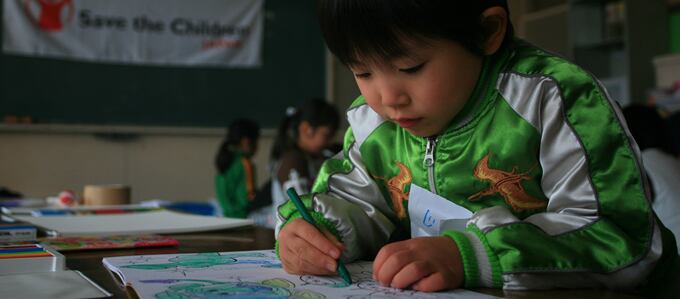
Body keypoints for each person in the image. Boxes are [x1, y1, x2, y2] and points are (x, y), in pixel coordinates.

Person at [275, 0, 679, 296]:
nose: (387, 97)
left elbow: (622, 237)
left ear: (487, 32)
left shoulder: (552, 97)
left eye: (410, 67)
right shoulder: (375, 120)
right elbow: (354, 198)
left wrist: (474, 255)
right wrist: (314, 232)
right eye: (362, 72)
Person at [270, 98, 340, 225]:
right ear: (306, 129)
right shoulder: (293, 160)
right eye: (326, 135)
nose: (330, 142)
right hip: (291, 230)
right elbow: (303, 206)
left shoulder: (311, 158)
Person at [214, 118, 260, 219]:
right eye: (256, 141)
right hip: (241, 217)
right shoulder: (244, 163)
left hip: (225, 215)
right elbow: (249, 197)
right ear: (246, 141)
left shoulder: (226, 159)